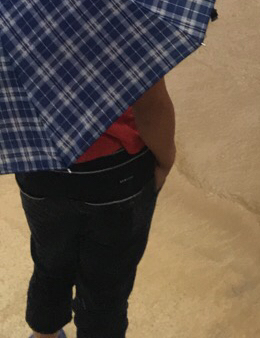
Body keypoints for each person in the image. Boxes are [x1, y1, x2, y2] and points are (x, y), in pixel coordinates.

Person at [15, 77, 176, 338]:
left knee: (50, 261)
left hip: (37, 161)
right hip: (116, 172)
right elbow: (151, 105)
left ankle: (44, 336)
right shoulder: (120, 32)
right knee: (107, 286)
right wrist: (166, 159)